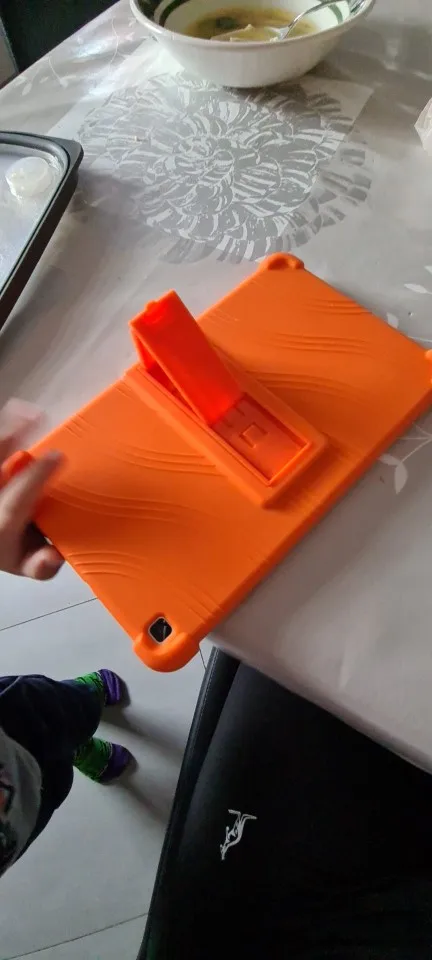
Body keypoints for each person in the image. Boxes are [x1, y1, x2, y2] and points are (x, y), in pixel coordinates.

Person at [0, 400, 133, 875]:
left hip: (13, 718)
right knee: (54, 782)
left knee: (57, 707)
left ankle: (82, 707)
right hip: (23, 813)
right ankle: (74, 745)